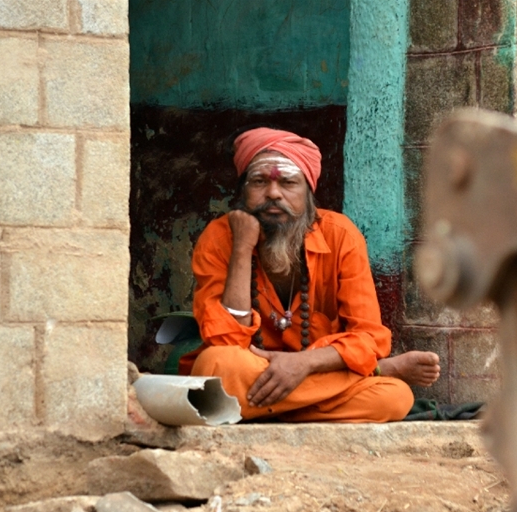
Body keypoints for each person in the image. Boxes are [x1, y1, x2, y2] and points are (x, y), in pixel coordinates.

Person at [181, 127, 440, 423]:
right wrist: (242, 247)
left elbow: (369, 337)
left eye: (289, 182)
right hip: (247, 371)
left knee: (395, 398)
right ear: (242, 192)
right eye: (259, 182)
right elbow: (224, 340)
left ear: (308, 192)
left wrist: (303, 364)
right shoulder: (219, 237)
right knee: (215, 366)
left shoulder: (341, 235)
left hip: (301, 373)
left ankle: (259, 411)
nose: (274, 193)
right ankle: (378, 372)